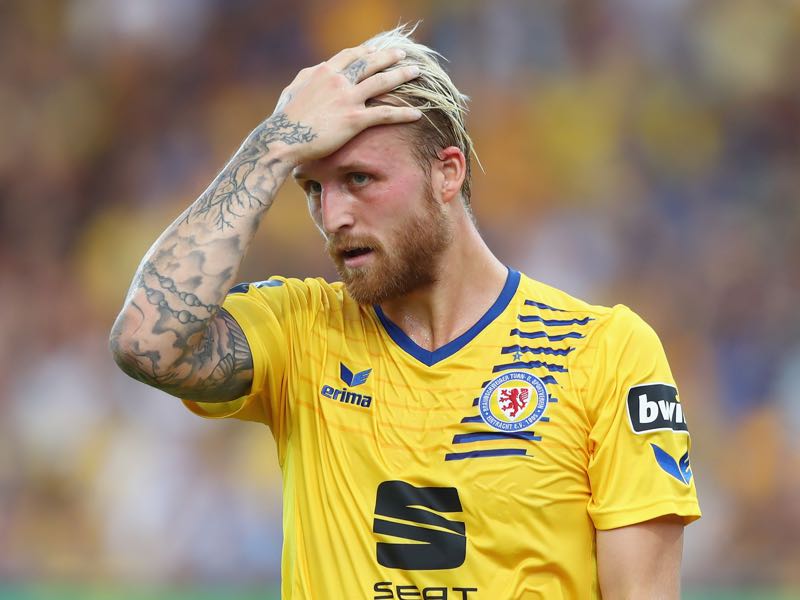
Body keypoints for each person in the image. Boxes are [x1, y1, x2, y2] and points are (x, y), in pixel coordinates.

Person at [110, 25, 701, 600]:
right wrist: (272, 143)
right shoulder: (301, 330)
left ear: (447, 173)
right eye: (313, 188)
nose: (333, 215)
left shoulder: (603, 351)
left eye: (359, 178)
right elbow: (146, 341)